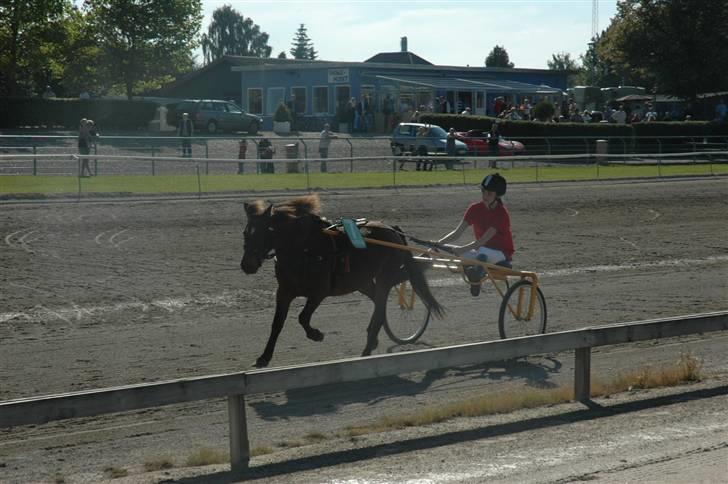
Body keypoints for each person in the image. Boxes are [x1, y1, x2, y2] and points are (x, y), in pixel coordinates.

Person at [435, 173, 514, 296]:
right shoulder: (474, 208)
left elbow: (482, 241)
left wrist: (462, 249)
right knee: (461, 252)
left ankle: (475, 276)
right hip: (480, 253)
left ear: (497, 195)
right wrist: (437, 244)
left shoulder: (501, 213)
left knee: (480, 252)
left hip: (501, 255)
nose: (485, 196)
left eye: (489, 194)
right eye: (483, 192)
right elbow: (457, 233)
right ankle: (475, 275)